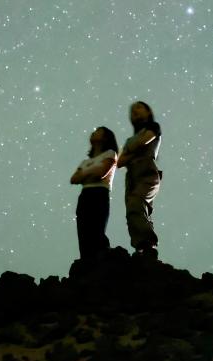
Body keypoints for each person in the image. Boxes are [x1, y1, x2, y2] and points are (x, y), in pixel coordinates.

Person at [117, 101, 162, 259]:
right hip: (132, 177)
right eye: (132, 110)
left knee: (137, 203)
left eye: (139, 107)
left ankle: (147, 243)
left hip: (146, 172)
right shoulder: (131, 139)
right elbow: (120, 162)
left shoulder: (153, 127)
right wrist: (134, 147)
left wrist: (130, 148)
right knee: (133, 210)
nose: (135, 111)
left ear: (148, 112)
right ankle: (141, 247)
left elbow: (145, 140)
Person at [69, 126, 118, 263]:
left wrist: (84, 174)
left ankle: (102, 263)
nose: (93, 132)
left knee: (96, 230)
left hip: (99, 194)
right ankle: (86, 264)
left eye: (98, 131)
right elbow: (74, 179)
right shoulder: (85, 162)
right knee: (83, 232)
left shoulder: (110, 153)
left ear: (105, 137)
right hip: (85, 196)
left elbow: (101, 173)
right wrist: (92, 172)